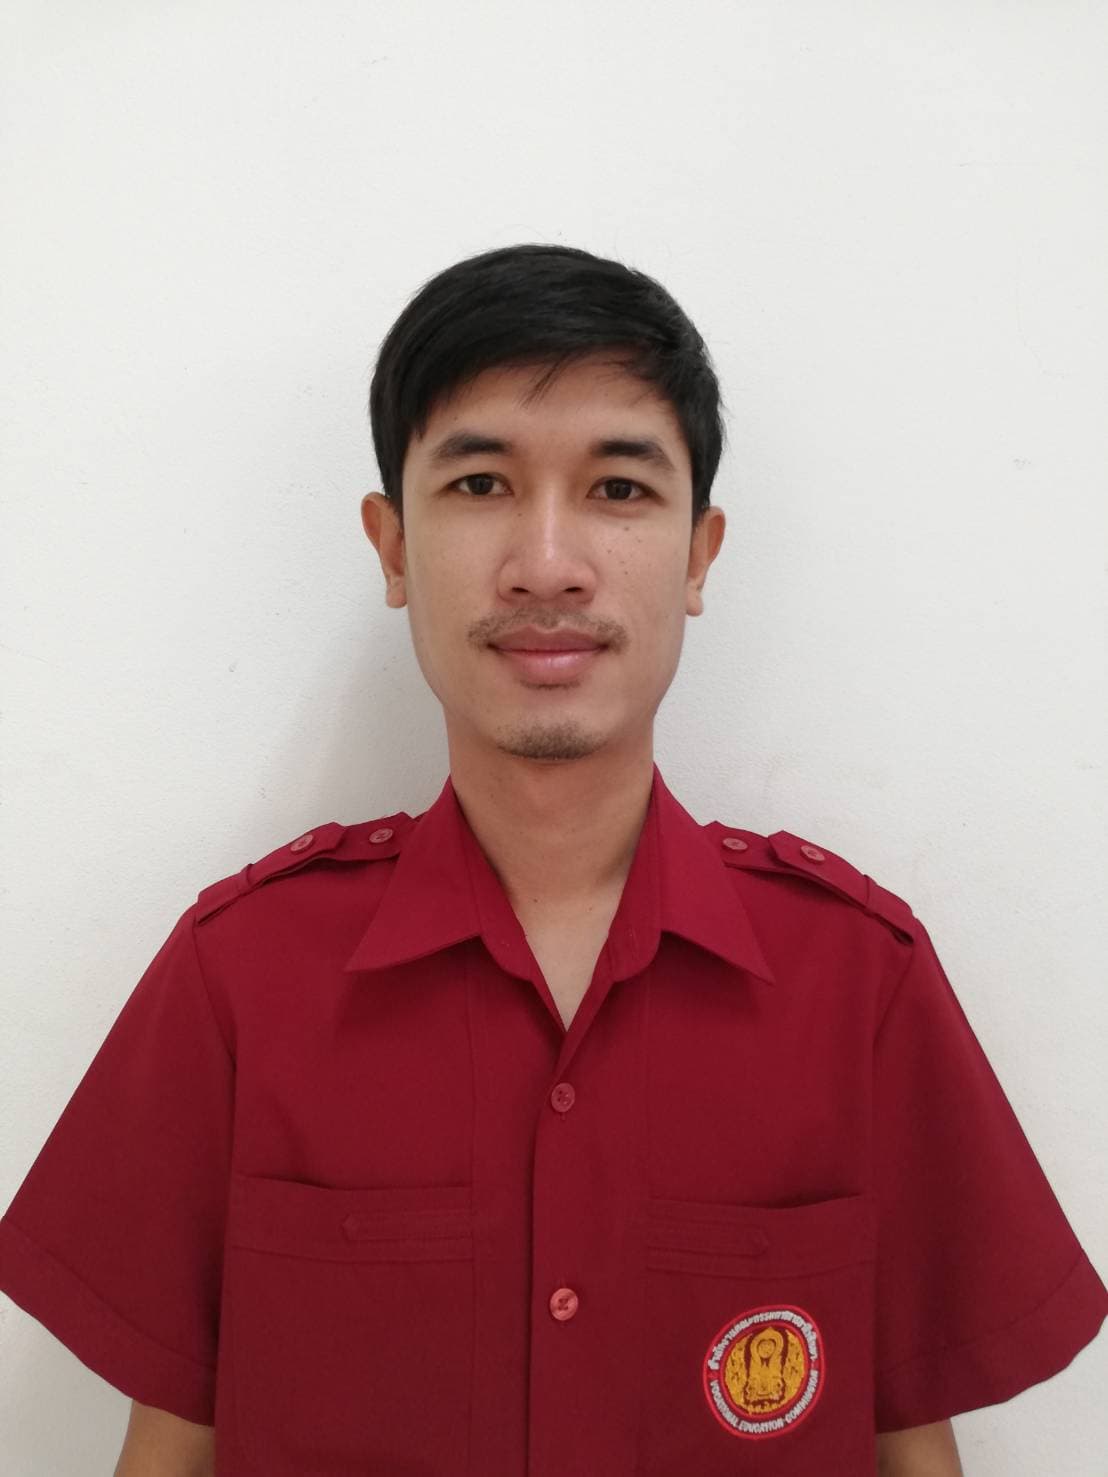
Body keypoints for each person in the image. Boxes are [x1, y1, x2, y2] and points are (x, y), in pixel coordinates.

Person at [1, 243, 1105, 1477]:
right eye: (479, 483)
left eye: (618, 489)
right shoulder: (240, 978)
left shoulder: (858, 983)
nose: (545, 563)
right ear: (392, 547)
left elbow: (913, 1451)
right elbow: (169, 1450)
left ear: (698, 554)